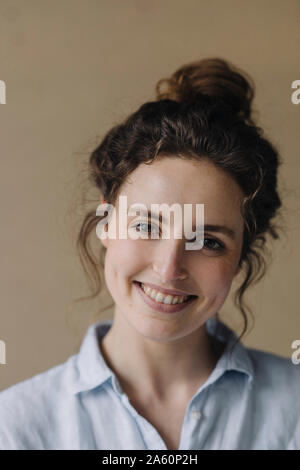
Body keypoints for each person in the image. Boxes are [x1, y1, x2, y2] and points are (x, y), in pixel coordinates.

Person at [0, 57, 299, 450]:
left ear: (243, 253)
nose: (168, 267)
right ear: (106, 221)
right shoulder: (16, 428)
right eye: (146, 226)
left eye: (209, 241)